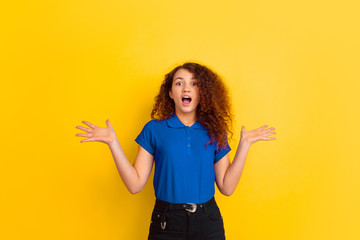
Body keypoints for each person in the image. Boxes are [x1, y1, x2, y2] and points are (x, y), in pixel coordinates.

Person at [75, 62, 276, 240]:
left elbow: (227, 187)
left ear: (202, 92)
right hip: (167, 222)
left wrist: (245, 145)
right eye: (179, 83)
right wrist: (113, 143)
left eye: (194, 83)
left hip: (208, 221)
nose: (186, 88)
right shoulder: (154, 129)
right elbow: (135, 185)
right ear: (170, 93)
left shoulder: (215, 131)